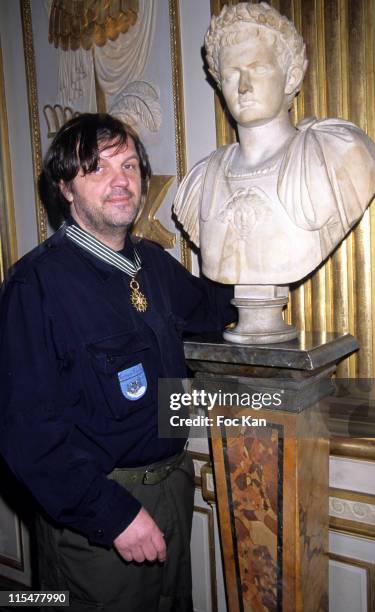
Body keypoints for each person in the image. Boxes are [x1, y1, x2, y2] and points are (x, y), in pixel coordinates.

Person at [0, 113, 234, 611]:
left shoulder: (152, 264)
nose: (120, 180)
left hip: (172, 494)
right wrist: (113, 515)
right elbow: (27, 436)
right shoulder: (34, 287)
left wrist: (233, 235)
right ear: (66, 187)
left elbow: (215, 316)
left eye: (129, 165)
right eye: (97, 169)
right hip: (97, 521)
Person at [174, 1, 375, 285]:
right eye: (230, 75)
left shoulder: (336, 153)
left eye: (257, 68)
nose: (243, 86)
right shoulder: (201, 180)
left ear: (291, 77)